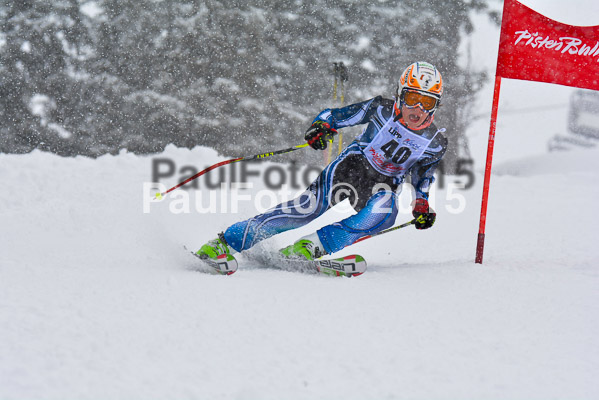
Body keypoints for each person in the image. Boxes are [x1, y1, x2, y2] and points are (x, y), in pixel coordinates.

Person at [197, 61, 447, 262]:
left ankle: (310, 247)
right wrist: (321, 126)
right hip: (352, 167)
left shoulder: (435, 143)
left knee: (384, 213)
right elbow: (334, 116)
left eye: (427, 102)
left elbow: (423, 176)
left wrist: (422, 204)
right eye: (412, 98)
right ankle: (226, 243)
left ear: (435, 106)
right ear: (400, 94)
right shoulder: (380, 109)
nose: (418, 109)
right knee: (306, 209)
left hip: (382, 186)